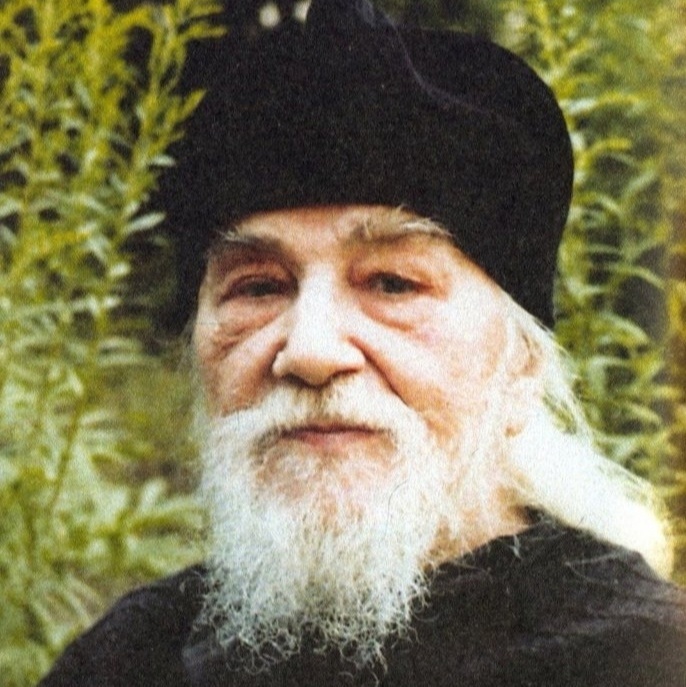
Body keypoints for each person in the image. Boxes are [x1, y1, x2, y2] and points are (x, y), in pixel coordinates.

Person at [38, 1, 686, 685]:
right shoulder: (127, 661)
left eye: (392, 283)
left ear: (522, 366)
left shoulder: (642, 661)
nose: (310, 351)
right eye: (258, 287)